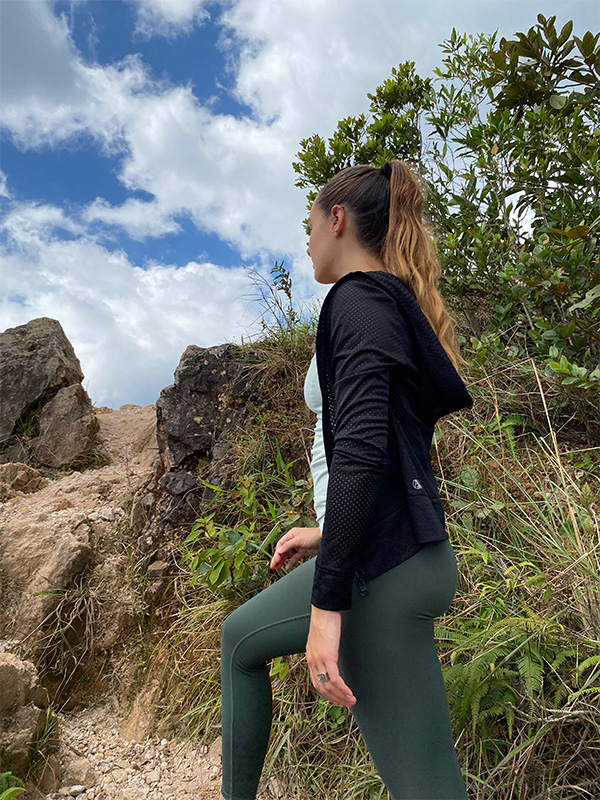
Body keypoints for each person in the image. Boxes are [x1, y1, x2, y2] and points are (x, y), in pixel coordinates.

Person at [219, 160, 473, 800]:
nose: (306, 243)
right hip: (397, 551)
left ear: (337, 220)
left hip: (379, 570)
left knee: (427, 790)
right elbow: (392, 451)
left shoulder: (357, 300)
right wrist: (327, 531)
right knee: (240, 639)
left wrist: (328, 605)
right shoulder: (390, 303)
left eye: (309, 226)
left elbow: (361, 453)